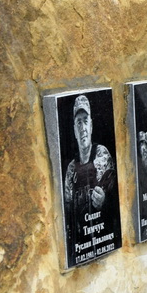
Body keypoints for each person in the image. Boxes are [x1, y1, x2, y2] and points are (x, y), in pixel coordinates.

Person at [64, 94, 116, 247]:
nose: (82, 128)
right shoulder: (71, 169)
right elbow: (67, 210)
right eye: (78, 123)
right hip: (82, 243)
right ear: (74, 130)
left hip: (103, 238)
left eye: (85, 121)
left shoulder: (102, 155)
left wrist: (105, 202)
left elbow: (117, 200)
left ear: (91, 125)